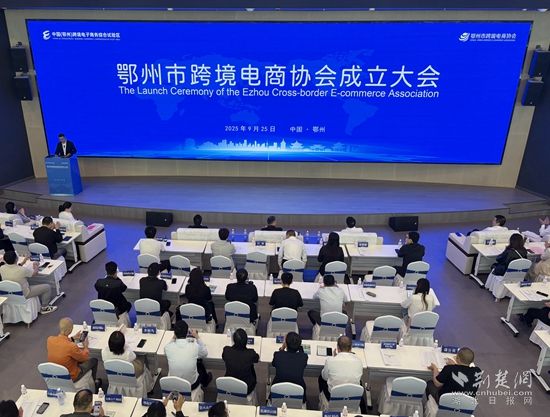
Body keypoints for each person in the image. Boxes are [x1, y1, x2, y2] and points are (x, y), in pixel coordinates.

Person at [47, 317, 100, 387]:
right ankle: (94, 384)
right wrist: (86, 346)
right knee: (94, 360)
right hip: (72, 376)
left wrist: (72, 338)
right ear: (70, 330)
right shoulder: (71, 346)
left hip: (57, 373)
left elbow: (62, 344)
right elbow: (84, 358)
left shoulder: (50, 340)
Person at [319, 336, 365, 412]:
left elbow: (324, 377)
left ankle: (321, 399)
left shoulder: (330, 361)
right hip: (353, 396)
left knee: (321, 378)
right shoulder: (358, 361)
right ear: (351, 348)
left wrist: (334, 358)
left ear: (337, 348)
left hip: (333, 396)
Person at [164, 320, 212, 389]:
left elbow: (166, 350)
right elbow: (205, 353)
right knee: (199, 363)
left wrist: (174, 337)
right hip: (191, 385)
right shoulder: (194, 346)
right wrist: (197, 337)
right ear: (187, 332)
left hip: (174, 384)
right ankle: (205, 382)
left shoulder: (168, 347)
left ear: (174, 333)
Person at [272, 331, 308, 401]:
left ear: (286, 344)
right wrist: (299, 347)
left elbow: (274, 364)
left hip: (278, 388)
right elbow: (302, 356)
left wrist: (282, 348)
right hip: (298, 389)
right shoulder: (303, 357)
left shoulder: (278, 355)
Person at [222, 328, 259, 395]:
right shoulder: (250, 354)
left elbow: (224, 357)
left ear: (233, 340)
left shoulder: (226, 351)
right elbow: (257, 359)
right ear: (246, 341)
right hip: (247, 388)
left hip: (229, 386)